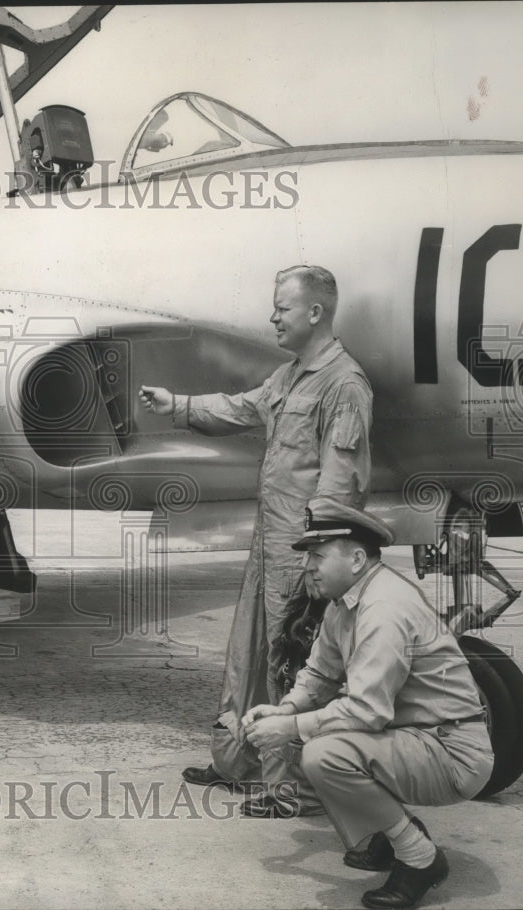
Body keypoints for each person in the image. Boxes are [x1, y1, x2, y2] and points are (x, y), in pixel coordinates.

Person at [139, 264, 372, 816]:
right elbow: (240, 407)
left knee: (294, 667)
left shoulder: (344, 385)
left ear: (314, 312)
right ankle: (237, 761)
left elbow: (342, 487)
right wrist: (178, 405)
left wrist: (323, 564)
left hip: (302, 555)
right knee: (248, 656)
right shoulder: (291, 376)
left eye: (282, 307)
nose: (272, 316)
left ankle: (296, 790)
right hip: (270, 548)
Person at [242, 497, 493, 909]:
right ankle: (386, 834)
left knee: (325, 754)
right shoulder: (347, 602)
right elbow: (320, 674)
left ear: (356, 558)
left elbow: (366, 711)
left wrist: (290, 729)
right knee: (312, 736)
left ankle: (420, 858)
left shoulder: (383, 607)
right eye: (309, 557)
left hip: (452, 751)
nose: (308, 566)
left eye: (318, 556)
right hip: (416, 735)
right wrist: (285, 710)